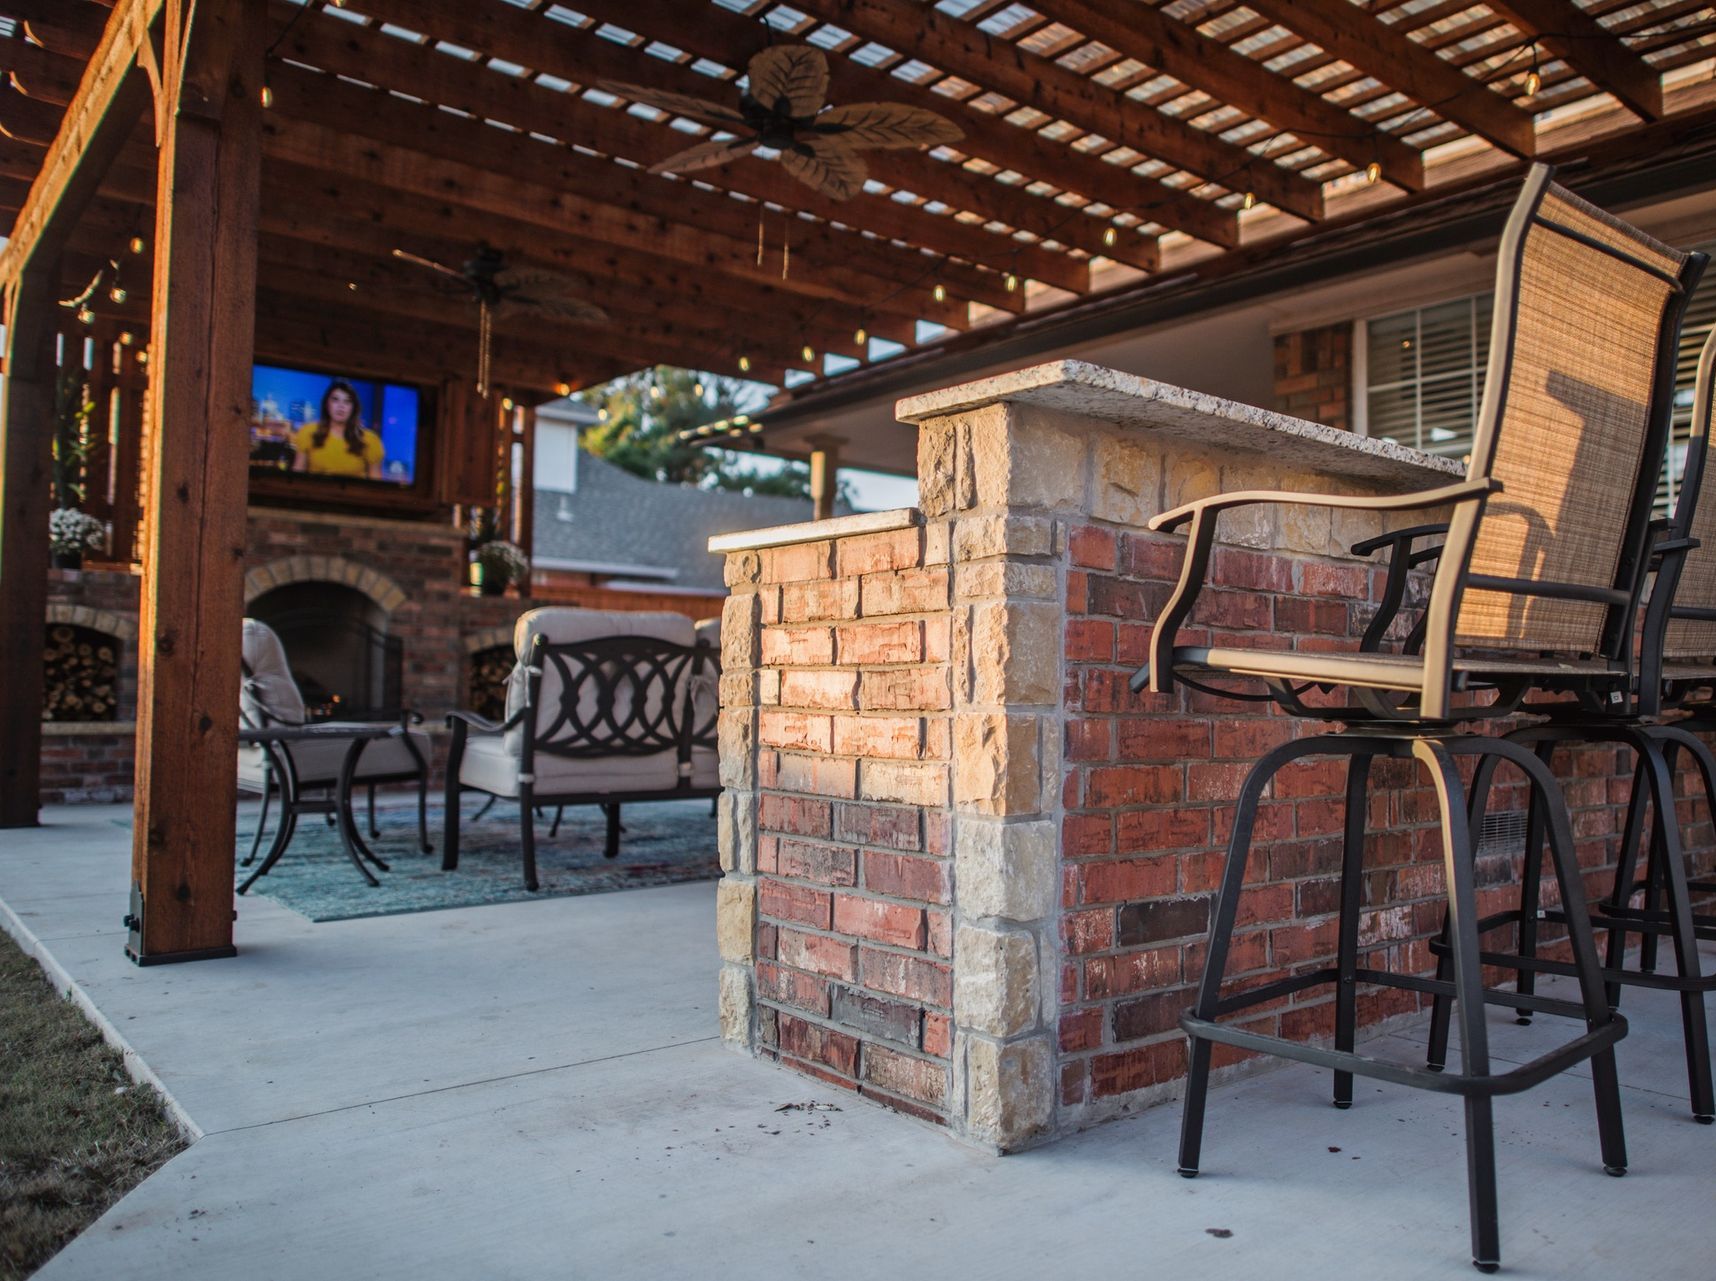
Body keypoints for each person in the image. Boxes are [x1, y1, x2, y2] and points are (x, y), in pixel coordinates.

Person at [291, 380, 383, 480]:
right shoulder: (308, 432)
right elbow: (297, 477)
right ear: (327, 404)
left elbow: (376, 486)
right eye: (335, 400)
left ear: (353, 408)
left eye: (347, 401)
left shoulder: (370, 440)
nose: (341, 406)